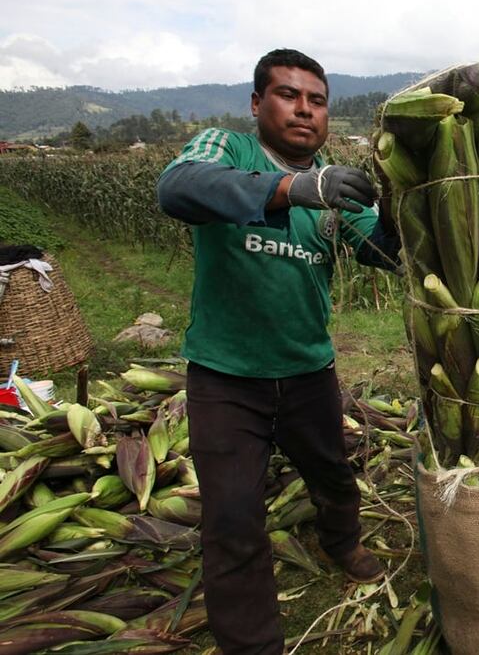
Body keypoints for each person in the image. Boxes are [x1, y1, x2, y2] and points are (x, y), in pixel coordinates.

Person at [157, 48, 399, 655]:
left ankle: (340, 543)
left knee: (335, 478)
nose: (304, 110)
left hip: (308, 369)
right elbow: (179, 188)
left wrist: (400, 199)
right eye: (289, 95)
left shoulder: (336, 185)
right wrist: (294, 187)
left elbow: (385, 254)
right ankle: (252, 643)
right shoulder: (226, 150)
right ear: (257, 103)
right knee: (234, 519)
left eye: (317, 101)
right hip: (225, 376)